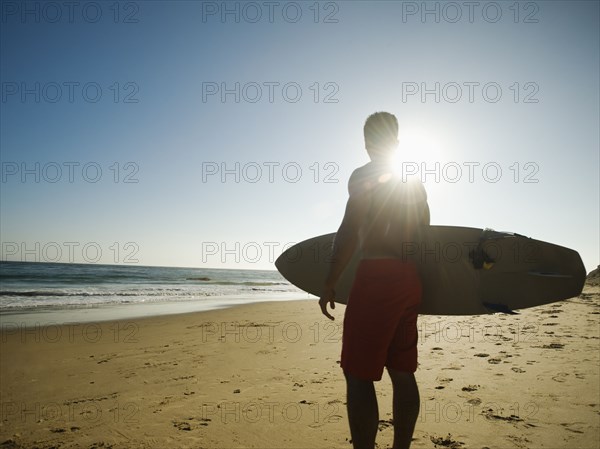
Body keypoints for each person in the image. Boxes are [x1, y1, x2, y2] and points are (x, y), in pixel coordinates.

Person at [319, 112, 430, 449]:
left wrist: (330, 280)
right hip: (409, 279)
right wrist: (422, 285)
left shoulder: (363, 175)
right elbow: (424, 236)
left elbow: (350, 230)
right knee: (402, 372)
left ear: (367, 144)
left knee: (357, 375)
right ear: (396, 142)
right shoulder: (414, 181)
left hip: (376, 281)